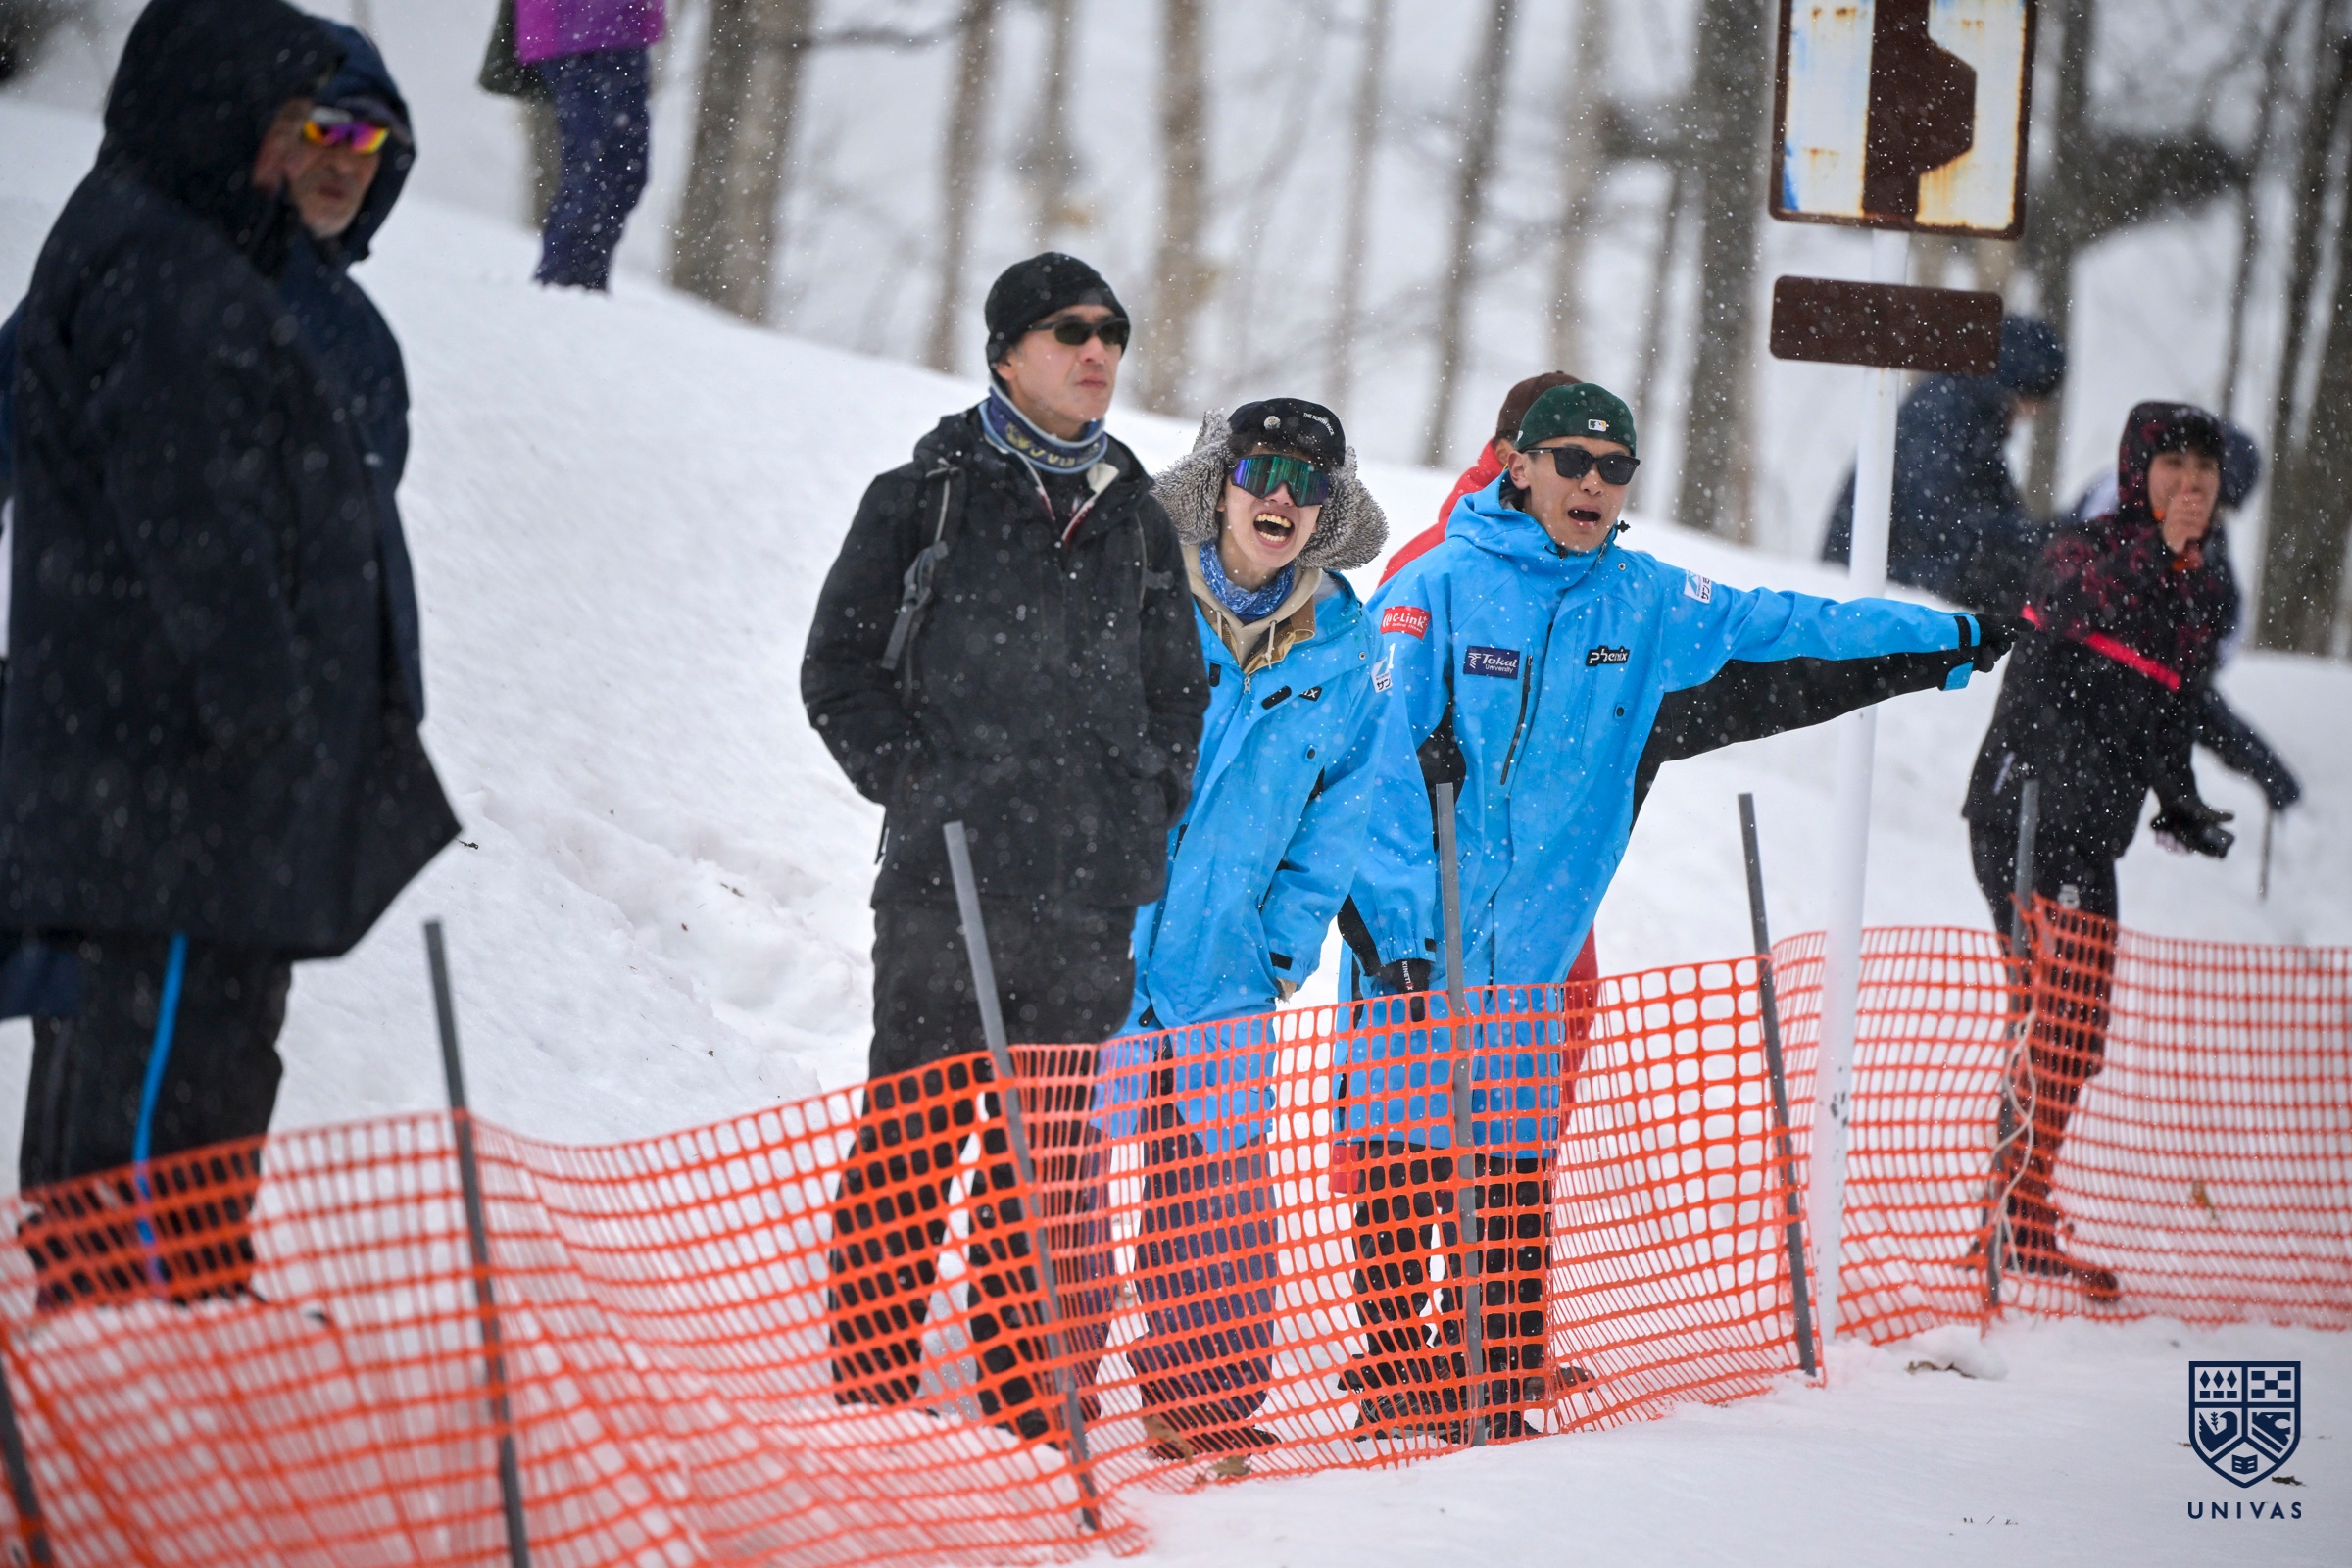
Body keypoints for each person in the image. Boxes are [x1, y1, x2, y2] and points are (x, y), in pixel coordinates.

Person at [1341, 381, 2016, 1431]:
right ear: (1518, 465)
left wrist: (1942, 637)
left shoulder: (1643, 600)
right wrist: (1397, 938)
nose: (1593, 483)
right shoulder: (1435, 587)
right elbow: (1372, 779)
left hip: (1531, 959)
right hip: (1415, 950)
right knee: (1401, 1159)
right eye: (1572, 461)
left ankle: (1500, 1389)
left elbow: (1789, 625)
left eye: (1615, 468)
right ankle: (1392, 1375)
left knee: (1510, 1173)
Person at [3, 0, 458, 1303]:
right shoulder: (167, 269)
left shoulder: (351, 334)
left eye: (367, 140)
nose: (336, 160)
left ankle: (192, 1275)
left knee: (228, 1017)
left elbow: (336, 527)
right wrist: (256, 692)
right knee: (135, 1007)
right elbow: (179, 508)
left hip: (272, 742)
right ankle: (119, 1286)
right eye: (314, 127)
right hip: (171, 735)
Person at [801, 252, 1205, 1440]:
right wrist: (921, 787)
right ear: (1005, 354)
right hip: (946, 882)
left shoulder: (1136, 517)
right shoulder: (924, 495)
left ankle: (1024, 1405)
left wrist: (1140, 805)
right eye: (1070, 331)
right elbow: (837, 672)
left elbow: (1177, 695)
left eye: (1112, 332)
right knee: (913, 1138)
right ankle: (872, 1392)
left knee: (1049, 1163)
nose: (1098, 352)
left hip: (1086, 899)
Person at [1096, 397, 1389, 1458]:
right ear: (1219, 484)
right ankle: (1034, 1392)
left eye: (1308, 482)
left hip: (1225, 967)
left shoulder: (1346, 645)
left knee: (1217, 1207)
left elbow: (1339, 817)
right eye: (1262, 471)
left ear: (1327, 511)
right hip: (1099, 943)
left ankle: (1200, 1409)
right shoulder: (1133, 586)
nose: (1281, 496)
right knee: (1063, 1178)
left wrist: (1279, 946)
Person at [1962, 403, 2242, 1303]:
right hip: (2025, 813)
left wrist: (2181, 802)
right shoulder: (2090, 551)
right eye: (2173, 469)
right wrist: (2162, 549)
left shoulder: (2197, 587)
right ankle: (2012, 1216)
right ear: (2137, 474)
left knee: (2075, 1032)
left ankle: (2023, 1206)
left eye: (2203, 473)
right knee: (2052, 1017)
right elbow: (2063, 621)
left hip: (2093, 833)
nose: (2190, 487)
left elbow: (2168, 708)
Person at [2064, 420, 2301, 821]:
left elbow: (2226, 622)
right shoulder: (2119, 504)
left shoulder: (2208, 540)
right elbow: (2079, 583)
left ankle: (2283, 793)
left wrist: (2192, 656)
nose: (2212, 516)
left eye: (2222, 509)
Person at [1821, 315, 2067, 611]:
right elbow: (1944, 525)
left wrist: (2041, 538)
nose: (2038, 412)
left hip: (1898, 576)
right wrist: (2037, 540)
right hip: (1881, 587)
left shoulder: (1967, 412)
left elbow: (1994, 513)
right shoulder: (1946, 417)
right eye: (2038, 400)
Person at [515, 0, 663, 290]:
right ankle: (565, 290)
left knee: (616, 174)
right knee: (600, 173)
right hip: (590, 26)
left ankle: (577, 291)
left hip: (609, 26)